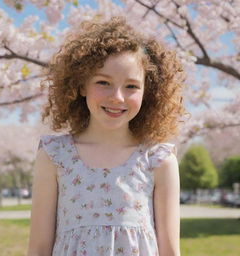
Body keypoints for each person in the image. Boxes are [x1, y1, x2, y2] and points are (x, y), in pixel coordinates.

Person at [27, 16, 187, 256]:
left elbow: (170, 251)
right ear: (81, 86)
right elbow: (39, 248)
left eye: (131, 86)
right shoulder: (54, 155)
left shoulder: (159, 159)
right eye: (103, 82)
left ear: (147, 92)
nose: (118, 97)